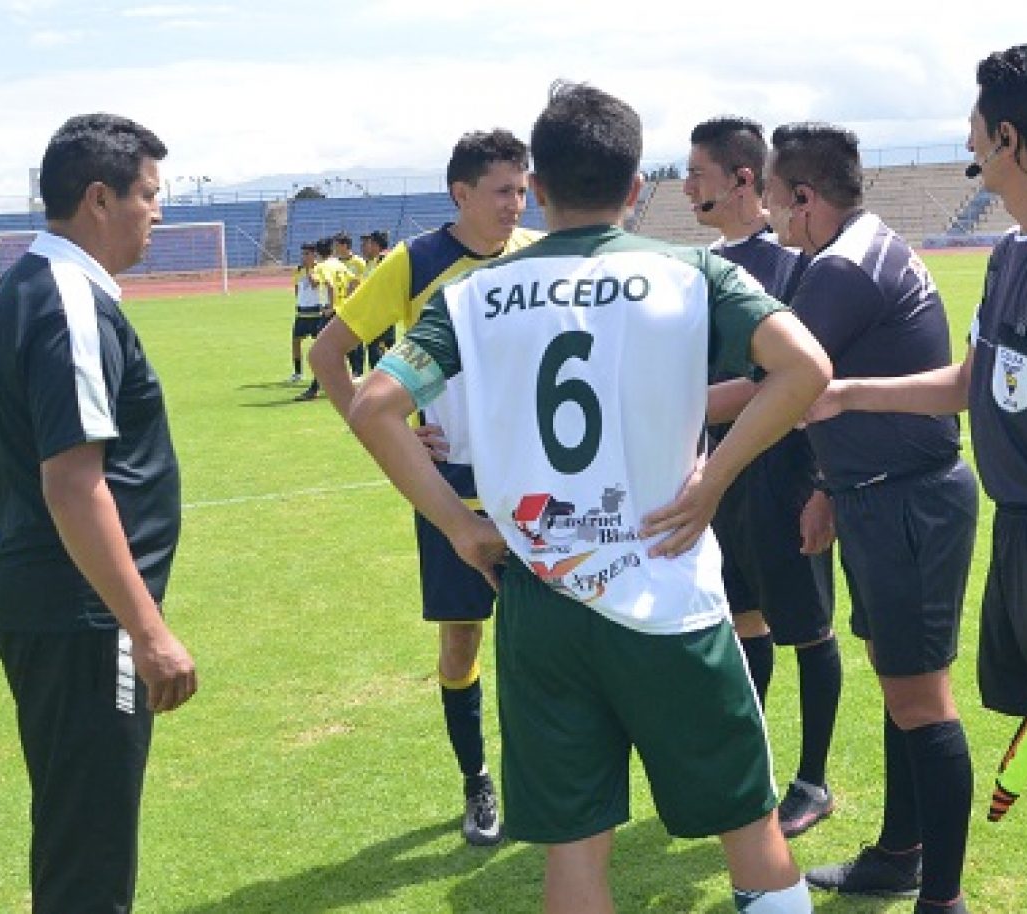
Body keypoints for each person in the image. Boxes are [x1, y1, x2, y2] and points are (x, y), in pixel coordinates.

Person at [348, 81, 831, 913]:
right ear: (637, 186)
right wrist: (712, 482)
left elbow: (374, 405)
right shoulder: (690, 272)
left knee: (574, 860)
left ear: (536, 187)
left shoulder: (472, 296)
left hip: (543, 602)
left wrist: (460, 527)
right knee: (751, 836)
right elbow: (806, 368)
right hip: (668, 593)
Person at [809, 45, 1027, 913]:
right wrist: (847, 392)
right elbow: (972, 382)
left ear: (1004, 138)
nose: (965, 134)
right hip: (1026, 534)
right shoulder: (1017, 251)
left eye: (975, 122)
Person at [0, 112, 200, 913]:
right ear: (100, 199)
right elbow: (72, 483)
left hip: (59, 607)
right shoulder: (67, 298)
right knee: (90, 857)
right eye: (148, 194)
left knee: (77, 833)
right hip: (83, 616)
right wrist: (146, 630)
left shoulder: (36, 286)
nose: (159, 212)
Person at [761, 123, 979, 913]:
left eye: (782, 206)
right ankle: (900, 853)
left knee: (921, 697)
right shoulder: (863, 244)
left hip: (907, 501)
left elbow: (782, 389)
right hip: (886, 493)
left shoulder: (843, 268)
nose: (782, 224)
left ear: (808, 199)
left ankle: (940, 896)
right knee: (903, 687)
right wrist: (828, 485)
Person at [306, 130, 542, 846]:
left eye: (522, 188)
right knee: (462, 644)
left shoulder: (539, 251)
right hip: (455, 496)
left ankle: (544, 782)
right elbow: (328, 353)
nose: (516, 202)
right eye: (501, 190)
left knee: (548, 645)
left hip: (540, 489)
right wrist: (389, 435)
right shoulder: (417, 262)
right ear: (460, 194)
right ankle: (478, 783)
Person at [683, 115, 842, 839]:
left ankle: (813, 780)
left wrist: (820, 488)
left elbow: (786, 381)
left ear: (745, 180)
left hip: (784, 475)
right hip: (723, 478)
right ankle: (754, 767)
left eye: (698, 176)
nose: (686, 188)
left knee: (806, 628)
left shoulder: (795, 267)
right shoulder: (695, 273)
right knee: (743, 619)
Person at [294, 238, 343, 401]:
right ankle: (326, 386)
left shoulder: (323, 266)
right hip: (343, 311)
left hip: (330, 312)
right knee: (336, 350)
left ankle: (316, 389)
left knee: (319, 351)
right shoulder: (339, 264)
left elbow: (328, 284)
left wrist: (330, 306)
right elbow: (353, 282)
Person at [287, 241, 330, 384]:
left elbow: (314, 284)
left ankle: (323, 374)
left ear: (314, 255)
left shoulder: (319, 269)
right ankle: (298, 372)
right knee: (295, 342)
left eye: (307, 254)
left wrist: (309, 270)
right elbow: (297, 289)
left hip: (316, 313)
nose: (304, 257)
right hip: (302, 313)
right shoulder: (299, 270)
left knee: (320, 345)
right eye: (303, 254)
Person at [330, 232, 371, 373]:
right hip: (337, 307)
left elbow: (361, 282)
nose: (334, 248)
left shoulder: (358, 262)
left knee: (355, 340)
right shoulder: (334, 263)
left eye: (336, 245)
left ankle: (357, 371)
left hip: (355, 307)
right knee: (339, 341)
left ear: (344, 245)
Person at [359, 230, 396, 364]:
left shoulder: (383, 260)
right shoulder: (371, 262)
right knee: (381, 349)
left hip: (381, 314)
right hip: (374, 313)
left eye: (367, 244)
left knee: (378, 351)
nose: (364, 247)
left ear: (375, 245)